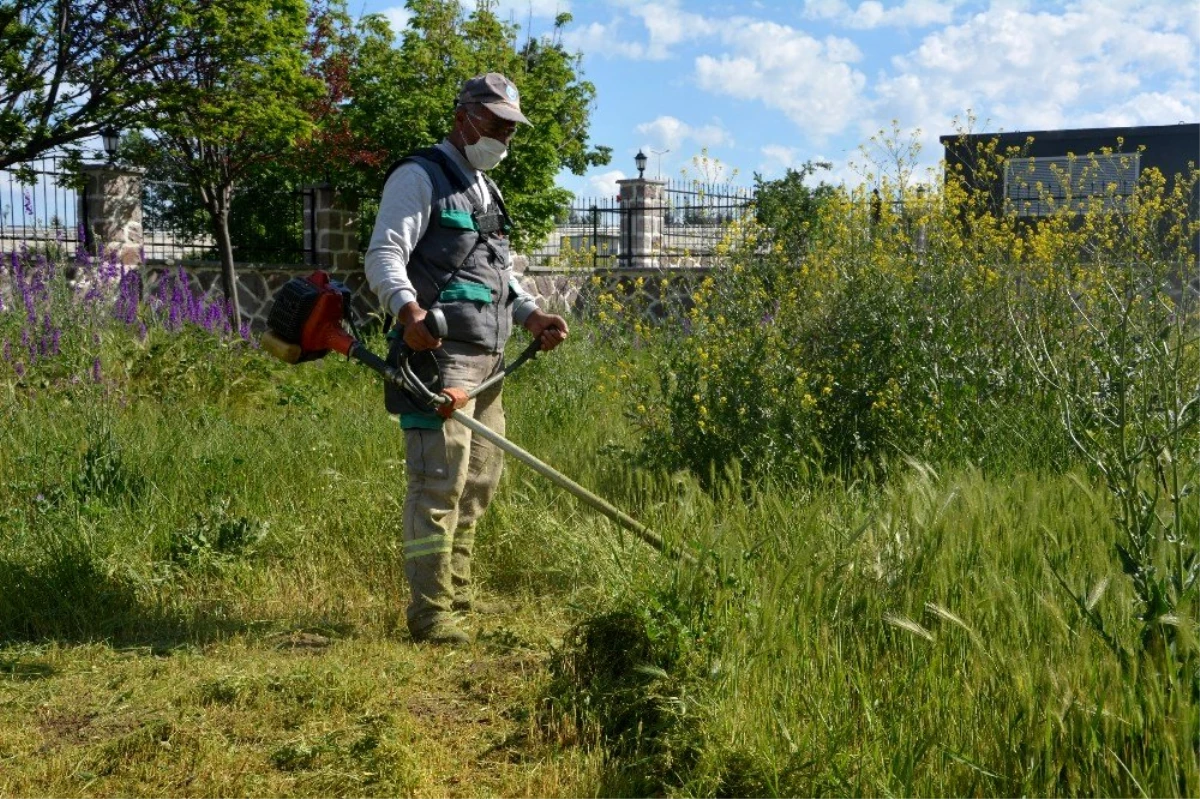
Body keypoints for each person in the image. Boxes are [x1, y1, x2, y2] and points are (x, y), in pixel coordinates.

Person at [365, 73, 568, 646]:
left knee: (477, 486)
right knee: (438, 486)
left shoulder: (486, 188)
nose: (505, 135)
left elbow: (500, 275)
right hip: (440, 362)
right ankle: (430, 614)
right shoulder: (419, 176)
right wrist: (409, 315)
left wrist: (532, 315)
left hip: (491, 362)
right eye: (497, 123)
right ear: (464, 117)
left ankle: (457, 597)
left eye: (510, 127)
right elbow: (384, 254)